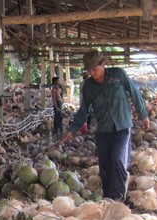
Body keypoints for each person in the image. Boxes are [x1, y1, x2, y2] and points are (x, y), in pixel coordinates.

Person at [63, 50, 149, 201]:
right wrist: (73, 128)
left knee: (118, 159)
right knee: (105, 166)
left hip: (122, 126)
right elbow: (84, 110)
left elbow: (134, 93)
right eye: (88, 70)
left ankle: (118, 198)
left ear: (103, 64)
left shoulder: (118, 75)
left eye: (94, 69)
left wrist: (143, 115)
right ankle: (108, 199)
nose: (92, 73)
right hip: (104, 130)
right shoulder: (88, 86)